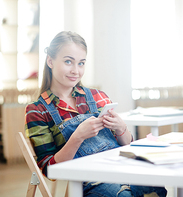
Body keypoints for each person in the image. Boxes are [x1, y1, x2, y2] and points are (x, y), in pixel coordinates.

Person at [24, 31, 167, 197]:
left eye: (81, 63)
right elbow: (50, 170)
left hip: (123, 169)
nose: (75, 71)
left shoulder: (98, 97)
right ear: (50, 61)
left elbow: (127, 146)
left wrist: (121, 129)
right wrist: (77, 137)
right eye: (68, 61)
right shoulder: (37, 111)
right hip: (90, 182)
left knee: (157, 185)